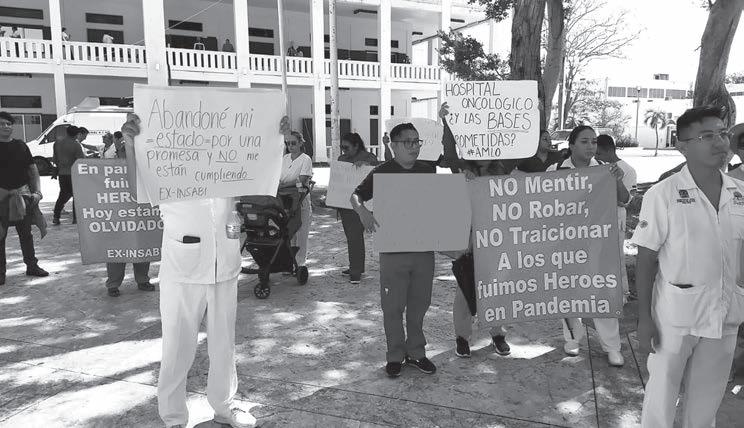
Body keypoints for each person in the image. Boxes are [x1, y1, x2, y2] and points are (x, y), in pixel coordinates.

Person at [121, 113, 290, 428]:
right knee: (177, 346)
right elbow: (138, 192)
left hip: (223, 263)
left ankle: (224, 407)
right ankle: (173, 417)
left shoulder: (225, 159)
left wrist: (275, 140)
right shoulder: (167, 160)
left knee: (223, 343)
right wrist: (131, 145)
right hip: (182, 268)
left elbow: (263, 181)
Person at [633, 106, 744, 427]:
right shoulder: (663, 194)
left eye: (723, 134)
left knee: (706, 402)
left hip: (725, 315)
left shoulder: (739, 193)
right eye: (707, 136)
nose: (720, 142)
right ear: (683, 146)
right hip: (675, 318)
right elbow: (646, 259)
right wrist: (644, 319)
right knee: (661, 397)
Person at [351, 123, 438, 378]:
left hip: (423, 250)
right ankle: (395, 355)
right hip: (393, 251)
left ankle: (417, 352)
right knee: (393, 306)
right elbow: (355, 196)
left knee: (419, 304)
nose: (414, 146)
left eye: (417, 141)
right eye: (408, 142)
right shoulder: (382, 172)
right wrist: (363, 212)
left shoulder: (428, 170)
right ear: (394, 145)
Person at [546, 125, 629, 367]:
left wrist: (617, 180)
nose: (591, 146)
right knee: (569, 291)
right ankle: (572, 339)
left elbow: (624, 200)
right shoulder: (555, 170)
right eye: (584, 141)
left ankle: (612, 346)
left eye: (593, 142)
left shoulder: (606, 169)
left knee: (602, 291)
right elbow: (542, 204)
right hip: (566, 243)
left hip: (599, 242)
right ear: (572, 145)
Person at [439, 102, 513, 358]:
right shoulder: (461, 166)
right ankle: (462, 337)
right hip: (468, 240)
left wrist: (533, 115)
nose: (483, 150)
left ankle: (498, 334)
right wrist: (446, 122)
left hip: (496, 239)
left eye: (488, 145)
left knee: (496, 288)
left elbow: (524, 145)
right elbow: (449, 151)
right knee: (464, 288)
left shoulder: (503, 169)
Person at [100, 130, 153, 297]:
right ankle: (113, 283)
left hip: (141, 210)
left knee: (143, 246)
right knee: (117, 248)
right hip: (118, 211)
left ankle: (142, 279)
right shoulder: (111, 157)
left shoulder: (145, 158)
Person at [0, 111, 48, 286]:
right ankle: (0, 272)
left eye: (8, 123)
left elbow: (32, 170)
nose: (6, 126)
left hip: (22, 197)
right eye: (1, 124)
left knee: (26, 234)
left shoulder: (21, 146)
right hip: (0, 199)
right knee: (0, 236)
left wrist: (38, 192)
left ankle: (32, 266)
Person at [596, 134, 637, 299]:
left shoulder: (627, 170)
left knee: (616, 257)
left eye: (598, 153)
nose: (596, 157)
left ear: (608, 151)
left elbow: (626, 201)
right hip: (597, 219)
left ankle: (622, 293)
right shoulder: (595, 167)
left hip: (615, 217)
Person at [337, 133, 379, 284]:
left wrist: (367, 165)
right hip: (345, 204)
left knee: (355, 237)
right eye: (342, 147)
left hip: (362, 204)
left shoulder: (369, 157)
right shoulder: (341, 159)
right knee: (352, 238)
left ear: (356, 146)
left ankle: (355, 272)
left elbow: (378, 172)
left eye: (346, 147)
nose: (343, 150)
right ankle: (356, 267)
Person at [279, 131, 313, 281]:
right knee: (288, 232)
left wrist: (284, 184)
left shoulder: (306, 159)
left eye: (293, 143)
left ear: (300, 143)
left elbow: (302, 179)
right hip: (284, 199)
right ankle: (288, 263)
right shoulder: (285, 159)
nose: (290, 146)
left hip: (299, 199)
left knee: (301, 232)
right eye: (288, 143)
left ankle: (299, 264)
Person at [52, 126, 86, 225]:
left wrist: (56, 170)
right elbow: (81, 160)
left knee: (62, 195)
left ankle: (56, 216)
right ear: (76, 134)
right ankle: (76, 218)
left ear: (67, 132)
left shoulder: (57, 143)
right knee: (76, 196)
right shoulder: (76, 145)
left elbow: (55, 159)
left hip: (62, 173)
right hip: (73, 174)